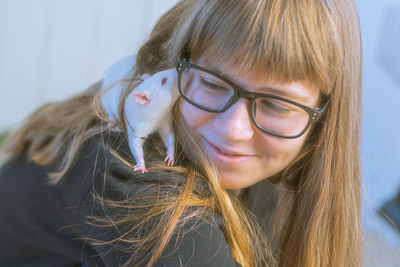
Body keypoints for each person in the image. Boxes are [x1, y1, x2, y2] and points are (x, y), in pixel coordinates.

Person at [0, 0, 362, 266]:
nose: (233, 130)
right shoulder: (138, 185)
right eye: (211, 83)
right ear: (177, 66)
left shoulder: (267, 173)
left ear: (323, 122)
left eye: (277, 105)